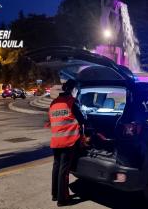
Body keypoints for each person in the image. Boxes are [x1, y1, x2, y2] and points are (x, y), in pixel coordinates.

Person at [49, 79, 86, 207]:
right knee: (64, 170)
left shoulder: (54, 102)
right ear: (73, 89)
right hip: (68, 140)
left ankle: (54, 194)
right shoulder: (71, 102)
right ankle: (63, 199)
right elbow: (81, 119)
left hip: (56, 139)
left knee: (56, 167)